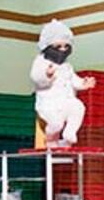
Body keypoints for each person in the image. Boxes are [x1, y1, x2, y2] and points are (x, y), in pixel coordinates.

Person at [30, 19, 96, 147]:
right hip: (48, 104)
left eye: (66, 46)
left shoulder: (67, 66)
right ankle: (50, 139)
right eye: (58, 46)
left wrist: (83, 83)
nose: (62, 50)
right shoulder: (41, 62)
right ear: (47, 47)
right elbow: (36, 78)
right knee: (56, 124)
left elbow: (73, 80)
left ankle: (69, 133)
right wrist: (46, 75)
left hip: (66, 101)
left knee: (78, 107)